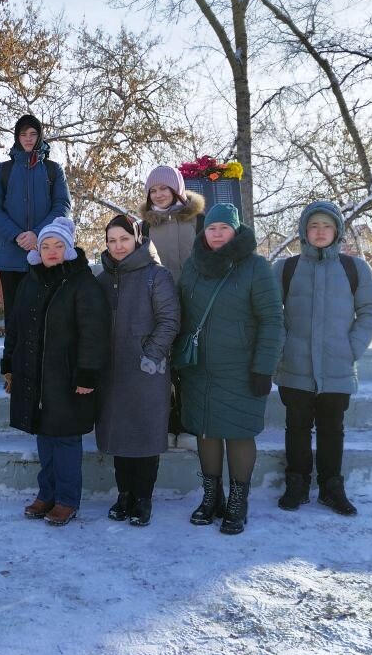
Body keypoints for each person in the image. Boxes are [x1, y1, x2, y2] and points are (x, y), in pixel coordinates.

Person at [177, 203, 283, 535]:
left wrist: (264, 368)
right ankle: (212, 498)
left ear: (236, 231)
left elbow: (272, 320)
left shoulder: (255, 267)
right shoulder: (191, 267)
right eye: (212, 228)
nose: (218, 233)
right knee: (206, 432)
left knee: (238, 434)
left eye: (224, 228)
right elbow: (180, 315)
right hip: (199, 368)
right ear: (204, 232)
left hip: (241, 368)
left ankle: (238, 502)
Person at [274, 201, 372, 516]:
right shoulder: (286, 268)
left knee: (332, 429)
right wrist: (282, 349)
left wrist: (351, 348)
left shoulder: (354, 268)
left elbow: (371, 310)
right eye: (313, 226)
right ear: (304, 232)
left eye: (326, 226)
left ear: (337, 231)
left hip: (337, 366)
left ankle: (331, 487)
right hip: (295, 366)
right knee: (296, 427)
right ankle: (296, 483)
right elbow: (270, 314)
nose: (320, 232)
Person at [2, 217, 106, 527]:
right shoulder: (30, 280)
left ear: (69, 248)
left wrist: (87, 375)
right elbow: (16, 327)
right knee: (43, 437)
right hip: (34, 375)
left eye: (58, 245)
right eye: (46, 245)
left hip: (67, 377)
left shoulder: (82, 282)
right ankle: (46, 494)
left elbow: (94, 332)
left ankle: (67, 500)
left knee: (65, 440)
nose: (51, 251)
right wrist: (9, 364)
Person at [95, 215, 179, 527]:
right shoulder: (102, 279)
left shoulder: (155, 275)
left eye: (124, 239)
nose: (118, 246)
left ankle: (143, 498)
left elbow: (170, 319)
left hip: (146, 370)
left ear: (137, 239)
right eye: (112, 240)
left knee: (143, 433)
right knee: (119, 434)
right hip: (112, 372)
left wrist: (152, 354)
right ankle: (124, 494)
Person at [0, 113, 71, 326]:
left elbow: (62, 205)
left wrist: (38, 235)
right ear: (17, 137)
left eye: (33, 133)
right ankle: (12, 361)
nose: (28, 138)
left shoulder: (53, 170)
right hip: (11, 259)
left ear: (40, 136)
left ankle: (42, 361)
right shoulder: (3, 170)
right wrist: (17, 235)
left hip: (46, 256)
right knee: (14, 321)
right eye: (23, 134)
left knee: (46, 320)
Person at [139, 165, 206, 444]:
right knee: (164, 367)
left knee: (189, 365)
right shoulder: (144, 226)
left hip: (195, 303)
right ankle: (168, 423)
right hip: (160, 306)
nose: (159, 194)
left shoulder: (199, 221)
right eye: (153, 190)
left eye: (164, 188)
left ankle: (189, 425)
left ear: (176, 189)